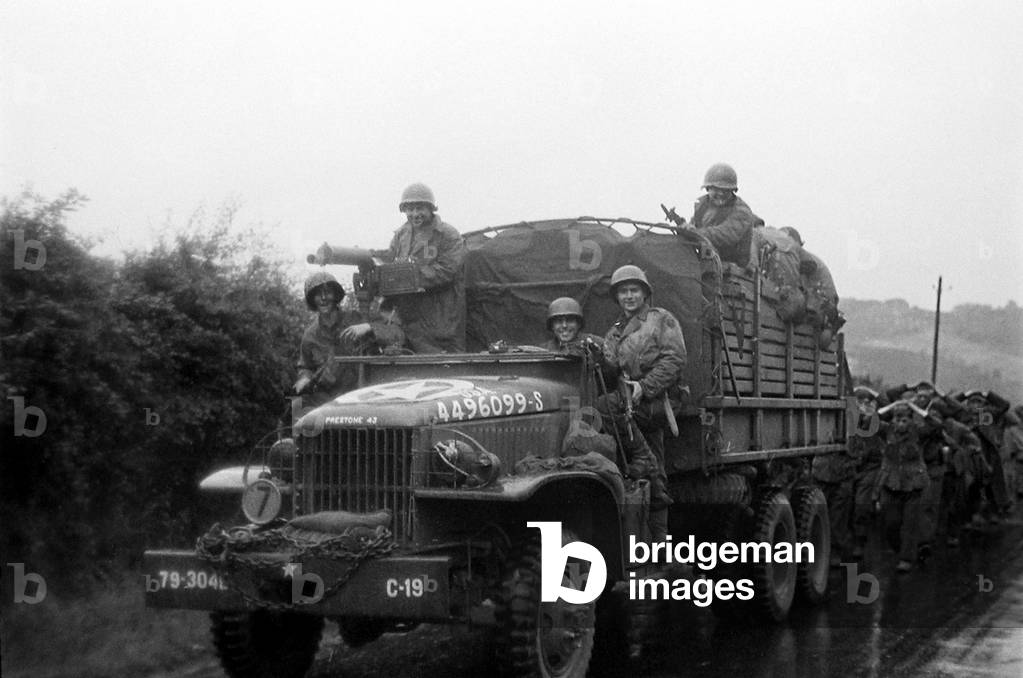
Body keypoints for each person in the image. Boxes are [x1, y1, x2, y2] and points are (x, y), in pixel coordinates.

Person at [594, 265, 687, 542]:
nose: (629, 296)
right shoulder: (615, 331)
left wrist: (644, 387)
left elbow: (675, 359)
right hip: (629, 408)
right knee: (649, 472)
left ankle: (659, 543)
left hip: (656, 402)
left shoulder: (661, 320)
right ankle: (650, 545)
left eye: (634, 290)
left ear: (645, 293)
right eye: (623, 292)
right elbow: (611, 369)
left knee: (604, 408)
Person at [295, 271, 405, 408]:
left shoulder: (357, 319)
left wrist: (369, 327)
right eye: (318, 294)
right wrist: (304, 378)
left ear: (335, 295)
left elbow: (398, 334)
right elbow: (305, 366)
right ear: (312, 299)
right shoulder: (310, 335)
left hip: (361, 398)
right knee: (296, 411)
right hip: (326, 402)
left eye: (328, 292)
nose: (323, 298)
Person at [383, 182, 466, 353]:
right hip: (409, 317)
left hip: (441, 317)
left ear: (430, 208)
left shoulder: (448, 234)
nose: (415, 214)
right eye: (410, 209)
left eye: (420, 208)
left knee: (448, 367)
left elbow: (448, 270)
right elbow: (390, 263)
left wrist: (410, 274)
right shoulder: (400, 235)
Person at [875, 400, 936, 573]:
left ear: (911, 420)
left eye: (905, 420)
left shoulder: (918, 432)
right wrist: (889, 406)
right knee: (891, 524)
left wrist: (916, 407)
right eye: (897, 419)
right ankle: (902, 549)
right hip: (890, 483)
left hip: (913, 484)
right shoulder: (887, 431)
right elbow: (865, 422)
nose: (900, 423)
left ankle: (906, 558)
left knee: (910, 523)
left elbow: (936, 425)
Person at [689, 163, 764, 268]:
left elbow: (725, 235)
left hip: (734, 270)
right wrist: (686, 229)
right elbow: (694, 227)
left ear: (733, 191)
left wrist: (694, 232)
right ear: (708, 189)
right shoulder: (701, 206)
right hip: (706, 263)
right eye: (716, 189)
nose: (720, 194)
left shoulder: (742, 211)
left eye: (725, 190)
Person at [848, 386, 884, 559]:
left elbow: (886, 402)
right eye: (859, 402)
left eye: (867, 402)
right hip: (851, 468)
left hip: (870, 468)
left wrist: (872, 393)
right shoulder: (849, 420)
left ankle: (859, 542)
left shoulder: (876, 421)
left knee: (862, 505)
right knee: (845, 507)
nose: (863, 406)